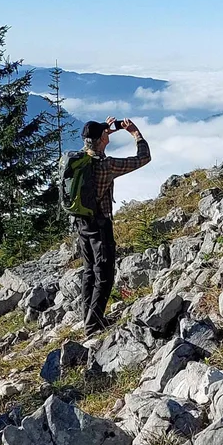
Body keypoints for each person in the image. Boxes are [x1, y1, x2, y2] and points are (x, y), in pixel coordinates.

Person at [66, 117, 151, 331]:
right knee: (104, 273)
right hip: (99, 223)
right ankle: (93, 325)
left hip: (80, 223)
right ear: (102, 138)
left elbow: (91, 146)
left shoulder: (79, 158)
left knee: (89, 271)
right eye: (104, 135)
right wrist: (135, 133)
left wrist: (103, 137)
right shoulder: (106, 165)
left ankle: (89, 317)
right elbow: (143, 158)